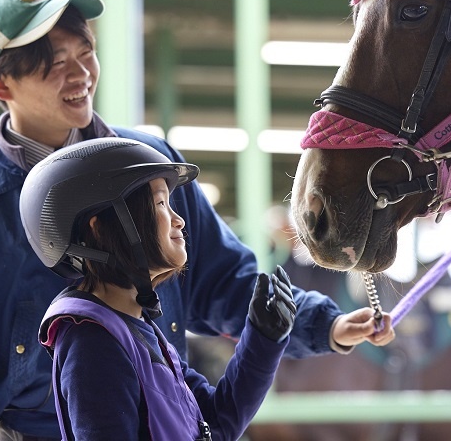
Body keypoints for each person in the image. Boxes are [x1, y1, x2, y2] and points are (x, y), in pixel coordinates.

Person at [0, 0, 395, 440]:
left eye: (85, 54)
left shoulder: (148, 163)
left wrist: (321, 324)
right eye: (53, 64)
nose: (80, 74)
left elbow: (222, 280)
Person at [20, 137, 295, 440]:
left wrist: (264, 339)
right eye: (161, 203)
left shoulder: (138, 329)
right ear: (99, 228)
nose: (179, 221)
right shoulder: (92, 343)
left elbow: (216, 422)